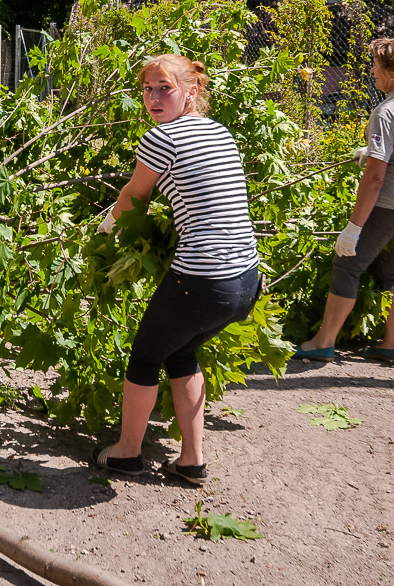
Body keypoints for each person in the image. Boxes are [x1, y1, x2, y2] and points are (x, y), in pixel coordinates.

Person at [95, 54, 263, 487]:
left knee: (146, 356)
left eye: (165, 88)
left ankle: (127, 454)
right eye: (148, 89)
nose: (153, 97)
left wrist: (108, 227)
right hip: (245, 280)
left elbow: (136, 195)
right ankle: (191, 462)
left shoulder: (162, 139)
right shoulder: (218, 131)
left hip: (203, 280)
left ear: (191, 92)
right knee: (180, 352)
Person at [295, 36, 394, 364]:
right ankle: (392, 345)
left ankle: (323, 341)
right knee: (390, 270)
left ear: (393, 70)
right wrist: (373, 151)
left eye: (376, 64)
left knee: (346, 264)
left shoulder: (386, 111)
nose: (372, 69)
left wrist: (353, 228)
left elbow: (375, 179)